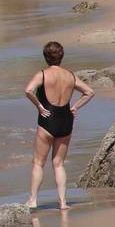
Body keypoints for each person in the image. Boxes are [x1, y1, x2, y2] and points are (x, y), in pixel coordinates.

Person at [24, 42, 95, 210]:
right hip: (66, 119)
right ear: (61, 56)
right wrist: (75, 106)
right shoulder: (70, 75)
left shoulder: (42, 74)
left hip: (48, 118)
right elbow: (89, 92)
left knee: (38, 162)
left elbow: (28, 91)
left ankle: (33, 200)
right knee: (59, 163)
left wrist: (39, 106)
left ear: (45, 56)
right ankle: (63, 202)